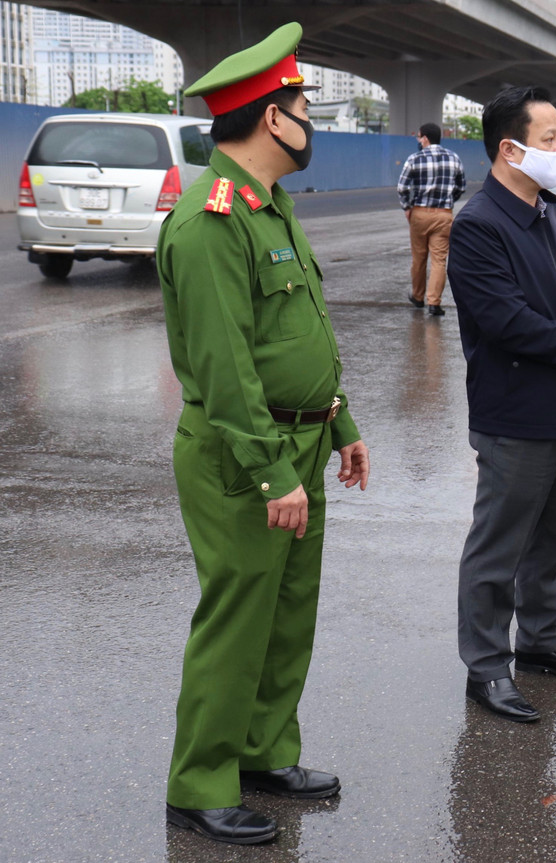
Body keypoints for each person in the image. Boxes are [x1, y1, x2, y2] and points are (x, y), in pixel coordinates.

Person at [156, 23, 370, 845]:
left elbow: (300, 333)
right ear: (269, 118)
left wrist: (339, 423)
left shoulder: (270, 206)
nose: (310, 120)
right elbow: (225, 368)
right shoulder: (211, 220)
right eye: (303, 106)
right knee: (238, 614)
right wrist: (272, 472)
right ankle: (199, 779)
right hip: (243, 455)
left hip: (302, 443)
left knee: (287, 611)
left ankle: (261, 749)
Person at [447, 86, 556, 723]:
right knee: (499, 545)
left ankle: (542, 641)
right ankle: (488, 666)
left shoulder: (551, 209)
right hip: (517, 411)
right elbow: (505, 320)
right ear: (509, 148)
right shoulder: (478, 225)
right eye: (550, 138)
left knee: (551, 538)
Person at [398, 121, 466, 316]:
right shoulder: (454, 158)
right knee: (439, 260)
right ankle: (434, 302)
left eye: (419, 137)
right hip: (443, 215)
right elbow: (461, 186)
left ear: (425, 138)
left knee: (419, 258)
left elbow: (402, 188)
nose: (418, 140)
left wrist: (407, 207)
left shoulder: (414, 158)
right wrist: (448, 202)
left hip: (419, 213)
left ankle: (418, 297)